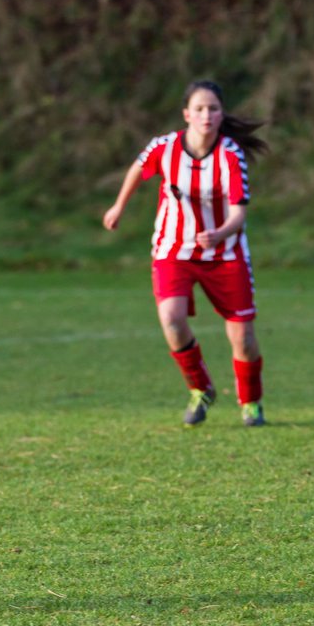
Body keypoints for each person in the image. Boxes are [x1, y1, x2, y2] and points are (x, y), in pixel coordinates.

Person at [103, 79, 267, 428]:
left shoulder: (229, 155)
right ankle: (200, 389)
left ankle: (251, 402)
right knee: (172, 320)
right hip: (173, 250)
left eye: (213, 109)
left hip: (225, 254)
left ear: (222, 115)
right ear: (186, 114)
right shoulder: (165, 147)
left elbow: (239, 213)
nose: (207, 115)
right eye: (199, 109)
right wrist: (119, 206)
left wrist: (219, 233)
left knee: (243, 337)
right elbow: (137, 168)